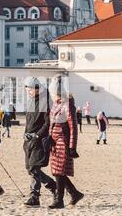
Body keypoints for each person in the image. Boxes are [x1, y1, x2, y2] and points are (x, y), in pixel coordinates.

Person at [48, 77, 84, 209]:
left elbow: (73, 127)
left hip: (63, 142)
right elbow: (52, 123)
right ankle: (74, 194)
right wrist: (48, 137)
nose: (52, 97)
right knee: (57, 171)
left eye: (53, 94)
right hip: (54, 143)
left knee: (59, 171)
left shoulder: (68, 105)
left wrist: (72, 147)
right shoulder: (55, 104)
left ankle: (59, 200)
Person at [23, 77, 57, 208]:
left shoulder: (45, 101)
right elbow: (30, 121)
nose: (28, 91)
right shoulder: (31, 101)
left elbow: (47, 123)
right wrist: (26, 134)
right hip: (28, 141)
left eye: (30, 89)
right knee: (30, 168)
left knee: (33, 167)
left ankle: (34, 196)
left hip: (39, 140)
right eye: (27, 89)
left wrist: (37, 136)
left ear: (37, 89)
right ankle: (52, 185)